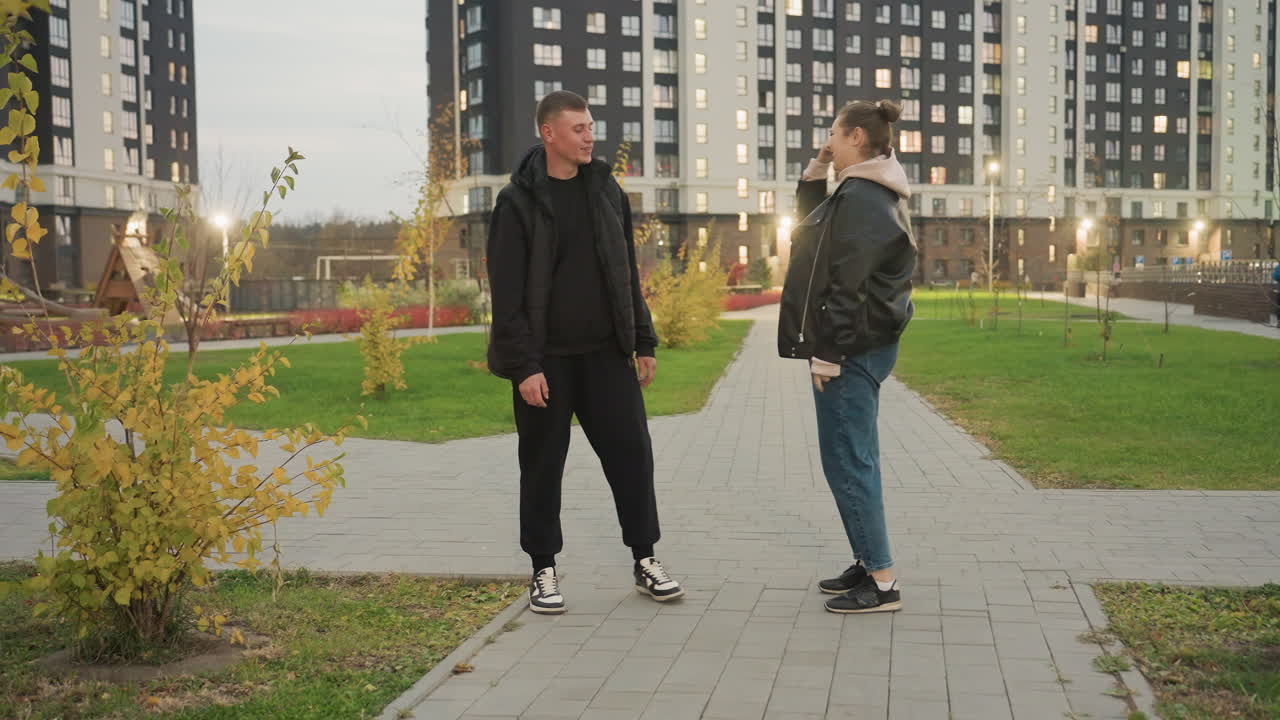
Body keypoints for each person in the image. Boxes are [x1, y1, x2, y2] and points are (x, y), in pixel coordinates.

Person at [486, 91, 683, 614]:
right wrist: (524, 366)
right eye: (578, 128)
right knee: (542, 466)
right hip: (546, 363)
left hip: (605, 356)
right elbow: (506, 294)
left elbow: (626, 272)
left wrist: (643, 340)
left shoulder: (606, 190)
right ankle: (542, 569)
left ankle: (645, 558)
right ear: (548, 133)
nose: (589, 136)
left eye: (590, 126)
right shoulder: (517, 202)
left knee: (633, 458)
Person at [778, 99, 918, 614]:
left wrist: (828, 353)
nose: (829, 144)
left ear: (856, 137)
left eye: (834, 136)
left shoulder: (861, 196)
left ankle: (882, 582)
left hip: (851, 348)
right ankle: (866, 559)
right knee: (853, 457)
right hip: (866, 343)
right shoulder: (870, 190)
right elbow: (813, 227)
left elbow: (848, 281)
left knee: (848, 462)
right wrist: (819, 167)